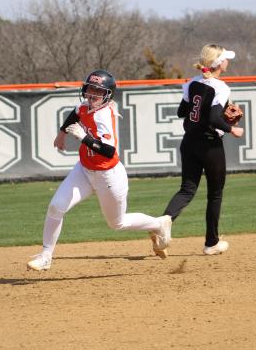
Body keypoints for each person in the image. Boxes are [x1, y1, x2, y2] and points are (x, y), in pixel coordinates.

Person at [27, 69, 172, 271]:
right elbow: (75, 113)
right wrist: (61, 134)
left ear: (108, 95)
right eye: (90, 89)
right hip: (84, 170)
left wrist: (83, 138)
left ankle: (158, 224)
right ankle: (46, 256)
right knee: (56, 206)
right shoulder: (85, 106)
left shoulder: (104, 115)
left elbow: (108, 150)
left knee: (117, 224)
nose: (92, 94)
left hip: (108, 175)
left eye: (98, 91)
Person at [162, 44, 244, 255]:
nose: (228, 61)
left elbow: (182, 111)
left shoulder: (191, 83)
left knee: (187, 189)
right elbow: (215, 119)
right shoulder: (221, 87)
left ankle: (162, 223)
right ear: (219, 63)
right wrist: (231, 129)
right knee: (215, 194)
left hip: (189, 142)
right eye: (226, 59)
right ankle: (211, 243)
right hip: (209, 144)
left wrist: (202, 109)